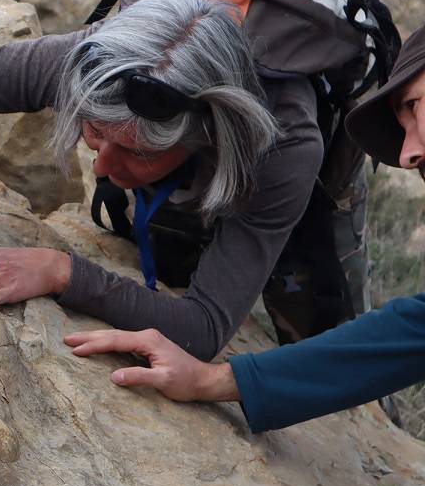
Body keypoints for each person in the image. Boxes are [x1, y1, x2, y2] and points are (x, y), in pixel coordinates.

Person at [0, 0, 364, 362]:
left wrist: (65, 272)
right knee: (167, 252)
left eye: (136, 152)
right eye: (94, 133)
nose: (99, 166)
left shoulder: (285, 146)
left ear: (206, 136)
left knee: (320, 319)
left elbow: (204, 328)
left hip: (279, 167)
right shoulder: (95, 63)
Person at [63, 24, 425, 432]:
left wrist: (65, 273)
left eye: (413, 105)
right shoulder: (119, 58)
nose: (409, 153)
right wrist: (209, 380)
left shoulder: (288, 146)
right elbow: (414, 333)